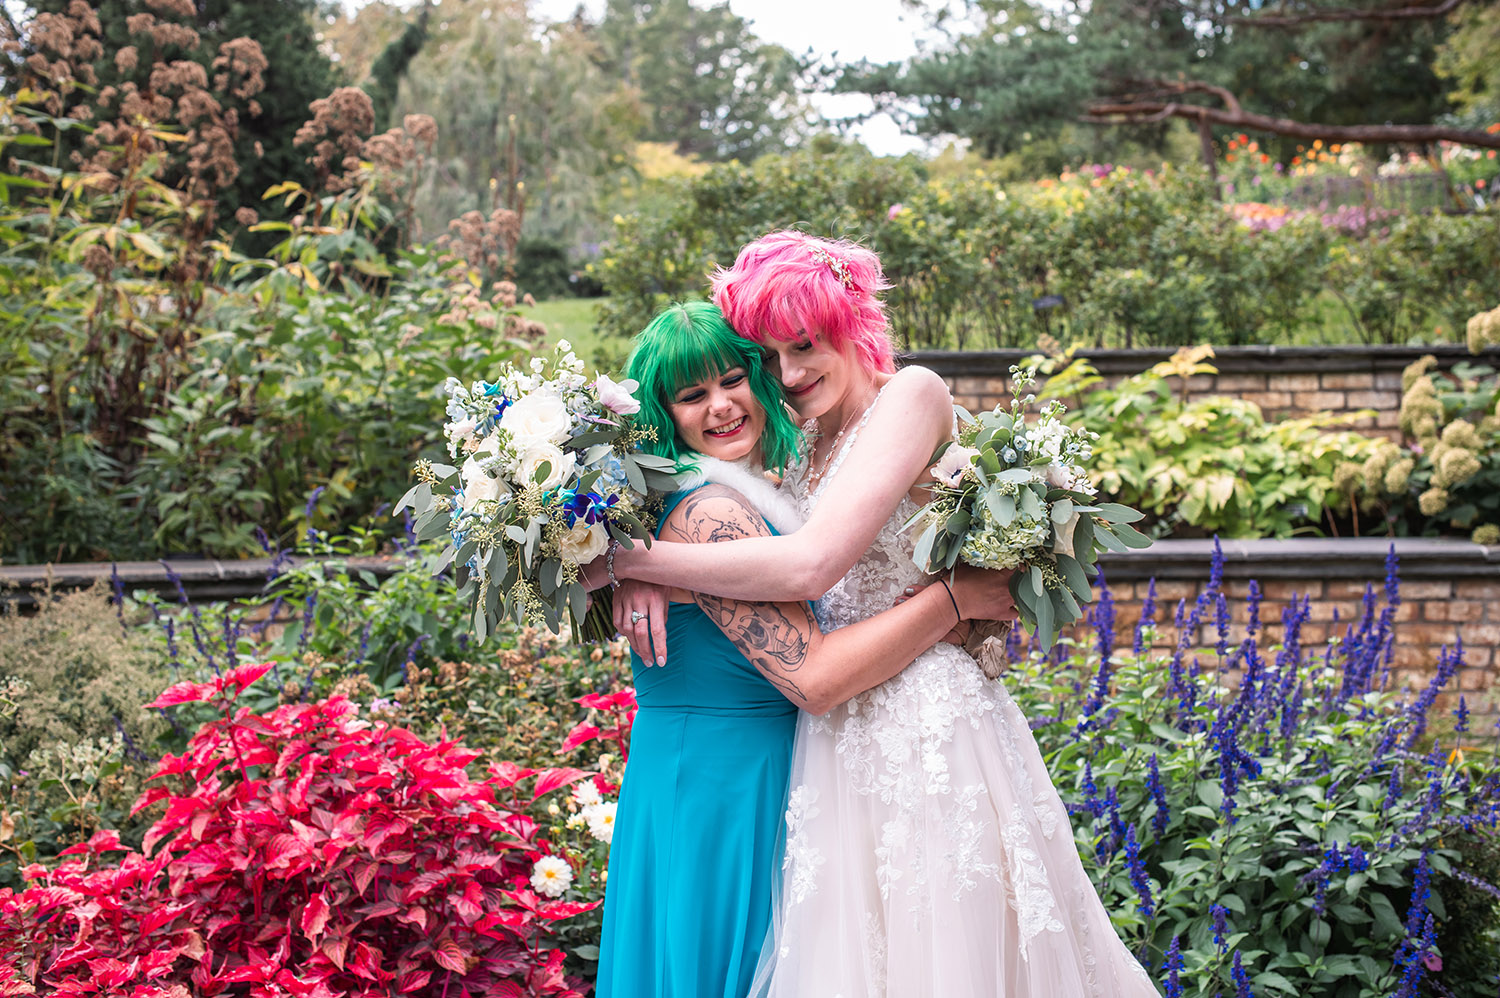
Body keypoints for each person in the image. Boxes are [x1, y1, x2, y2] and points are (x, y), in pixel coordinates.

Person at [607, 233, 1162, 996]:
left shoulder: (912, 395)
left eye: (803, 346)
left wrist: (632, 563)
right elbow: (710, 508)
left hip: (923, 722)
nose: (791, 375)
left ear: (850, 321)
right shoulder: (799, 441)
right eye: (770, 359)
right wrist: (620, 546)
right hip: (832, 737)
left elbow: (809, 566)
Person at [594, 300, 1018, 998]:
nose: (723, 406)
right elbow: (814, 673)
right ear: (663, 416)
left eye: (735, 379)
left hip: (739, 770)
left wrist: (629, 560)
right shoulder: (710, 512)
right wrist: (953, 602)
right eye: (693, 395)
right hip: (722, 788)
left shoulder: (738, 491)